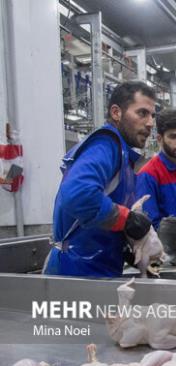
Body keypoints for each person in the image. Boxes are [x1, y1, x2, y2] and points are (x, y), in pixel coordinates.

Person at [45, 81, 157, 277]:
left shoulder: (123, 157)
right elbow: (77, 194)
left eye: (152, 115)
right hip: (76, 275)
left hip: (99, 272)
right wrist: (127, 219)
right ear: (116, 113)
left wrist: (125, 248)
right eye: (142, 113)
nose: (150, 123)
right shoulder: (106, 145)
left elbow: (101, 222)